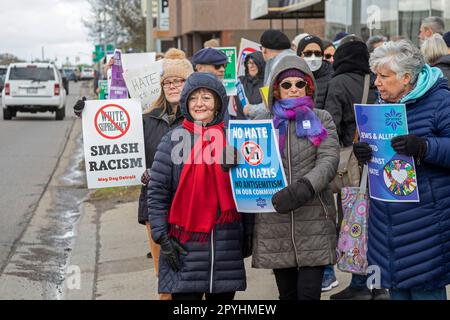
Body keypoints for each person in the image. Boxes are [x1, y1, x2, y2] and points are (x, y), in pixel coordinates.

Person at [354, 40, 450, 300]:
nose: (377, 82)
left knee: (423, 289)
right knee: (396, 288)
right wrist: (363, 152)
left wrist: (424, 147)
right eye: (376, 75)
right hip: (385, 220)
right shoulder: (381, 103)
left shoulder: (440, 101)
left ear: (406, 77)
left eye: (384, 76)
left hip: (425, 222)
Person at [147, 72, 252, 301]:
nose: (199, 104)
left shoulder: (234, 138)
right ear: (185, 103)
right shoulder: (172, 140)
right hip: (183, 249)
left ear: (217, 104)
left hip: (225, 249)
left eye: (206, 97)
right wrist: (161, 236)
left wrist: (249, 231)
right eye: (193, 98)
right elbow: (156, 193)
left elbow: (248, 188)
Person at [251, 55, 340, 300]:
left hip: (314, 217)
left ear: (308, 86)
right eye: (286, 84)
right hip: (274, 220)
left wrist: (305, 187)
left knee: (309, 294)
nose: (293, 89)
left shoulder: (321, 118)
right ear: (276, 90)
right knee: (287, 295)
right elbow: (246, 157)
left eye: (299, 84)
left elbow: (329, 159)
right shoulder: (261, 122)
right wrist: (231, 156)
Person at [323, 35, 388, 300]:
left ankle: (360, 286)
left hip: (351, 166)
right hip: (380, 162)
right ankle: (379, 285)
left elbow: (330, 124)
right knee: (377, 224)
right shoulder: (375, 81)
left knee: (353, 222)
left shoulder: (337, 82)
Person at [138, 48, 194, 300]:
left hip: (192, 207)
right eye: (167, 82)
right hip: (156, 207)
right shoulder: (147, 119)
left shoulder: (201, 118)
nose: (172, 86)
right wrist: (86, 113)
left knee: (194, 278)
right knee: (165, 279)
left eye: (178, 81)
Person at [297, 35, 333, 110]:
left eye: (317, 53)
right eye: (308, 53)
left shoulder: (332, 75)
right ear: (300, 55)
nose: (313, 58)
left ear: (322, 56)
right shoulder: (292, 75)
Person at [235, 51, 266, 120]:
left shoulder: (266, 82)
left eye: (255, 63)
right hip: (241, 126)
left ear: (261, 64)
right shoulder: (240, 81)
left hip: (261, 126)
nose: (252, 66)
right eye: (249, 63)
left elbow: (268, 108)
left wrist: (251, 110)